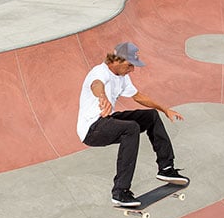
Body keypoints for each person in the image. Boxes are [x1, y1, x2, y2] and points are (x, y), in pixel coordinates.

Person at [77, 42, 189, 207]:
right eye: (130, 65)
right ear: (118, 60)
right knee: (131, 129)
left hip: (108, 120)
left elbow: (138, 96)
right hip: (92, 129)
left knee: (151, 115)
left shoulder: (122, 77)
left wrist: (165, 109)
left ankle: (166, 168)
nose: (132, 70)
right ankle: (120, 191)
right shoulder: (99, 72)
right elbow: (96, 84)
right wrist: (102, 97)